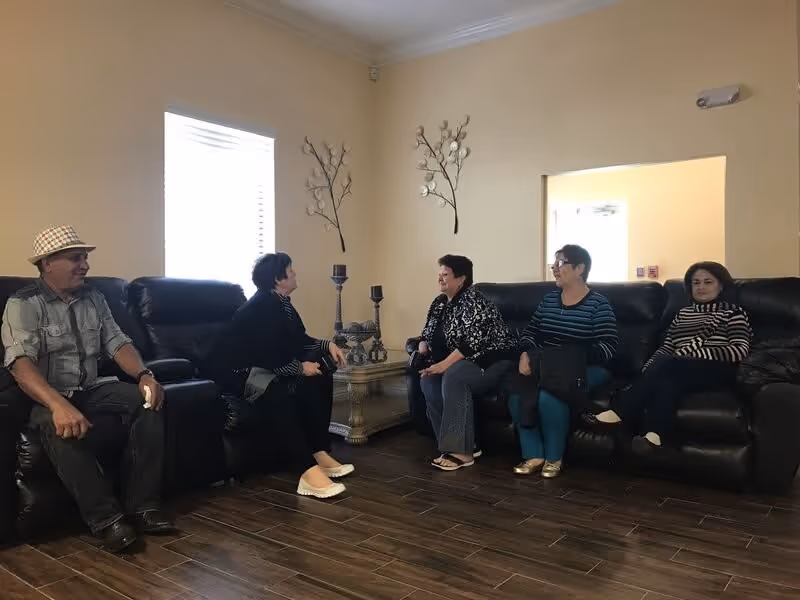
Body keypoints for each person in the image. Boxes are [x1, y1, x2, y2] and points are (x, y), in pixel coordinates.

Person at [1, 226, 174, 553]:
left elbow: (117, 342)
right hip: (46, 394)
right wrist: (57, 405)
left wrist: (144, 375)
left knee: (147, 401)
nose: (85, 265)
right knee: (59, 426)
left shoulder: (94, 297)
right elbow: (19, 364)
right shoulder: (23, 303)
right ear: (48, 262)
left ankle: (144, 507)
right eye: (76, 258)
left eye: (86, 258)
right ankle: (107, 521)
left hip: (92, 387)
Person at [210, 252, 353, 499]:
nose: (295, 273)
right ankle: (306, 471)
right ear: (278, 279)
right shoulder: (261, 306)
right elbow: (265, 353)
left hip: (265, 365)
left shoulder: (282, 303)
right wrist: (298, 368)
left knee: (320, 376)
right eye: (291, 270)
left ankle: (318, 450)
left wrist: (327, 345)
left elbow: (300, 339)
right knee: (276, 391)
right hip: (239, 372)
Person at [593, 261, 752, 452]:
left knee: (669, 365)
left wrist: (694, 355)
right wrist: (651, 366)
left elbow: (739, 349)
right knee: (666, 382)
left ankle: (621, 410)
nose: (701, 287)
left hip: (717, 370)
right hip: (677, 368)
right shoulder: (682, 314)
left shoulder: (733, 313)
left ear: (721, 286)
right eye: (696, 282)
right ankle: (654, 437)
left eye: (708, 282)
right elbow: (668, 346)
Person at [507, 245, 618, 478]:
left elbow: (609, 348)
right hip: (545, 364)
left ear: (580, 269)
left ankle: (554, 457)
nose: (555, 269)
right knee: (518, 390)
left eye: (561, 263)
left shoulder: (598, 304)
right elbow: (530, 334)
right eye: (554, 264)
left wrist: (571, 355)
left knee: (551, 392)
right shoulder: (548, 301)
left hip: (587, 368)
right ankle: (534, 454)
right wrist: (525, 354)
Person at [417, 254, 517, 471]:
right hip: (460, 360)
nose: (440, 279)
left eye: (445, 275)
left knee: (454, 376)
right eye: (439, 274)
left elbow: (472, 343)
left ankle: (463, 453)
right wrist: (423, 344)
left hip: (491, 359)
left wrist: (443, 365)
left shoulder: (474, 300)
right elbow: (428, 331)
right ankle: (456, 445)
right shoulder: (439, 303)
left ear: (461, 279)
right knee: (429, 380)